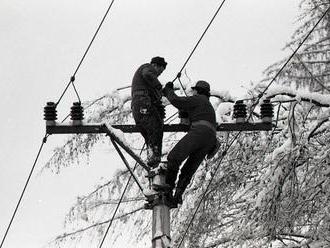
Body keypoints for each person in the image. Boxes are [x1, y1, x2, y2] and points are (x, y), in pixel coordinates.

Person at [162, 80, 217, 205]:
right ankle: (177, 196)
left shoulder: (199, 99)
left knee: (174, 157)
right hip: (210, 139)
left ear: (197, 90)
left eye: (194, 91)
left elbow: (177, 101)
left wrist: (168, 90)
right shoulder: (207, 105)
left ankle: (168, 190)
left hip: (199, 132)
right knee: (188, 169)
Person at [131, 56, 167, 168]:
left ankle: (153, 156)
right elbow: (148, 74)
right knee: (156, 126)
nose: (159, 74)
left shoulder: (146, 84)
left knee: (151, 133)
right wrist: (158, 86)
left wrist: (162, 93)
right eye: (160, 71)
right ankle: (154, 155)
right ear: (155, 65)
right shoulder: (147, 67)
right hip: (143, 104)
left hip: (139, 107)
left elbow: (155, 97)